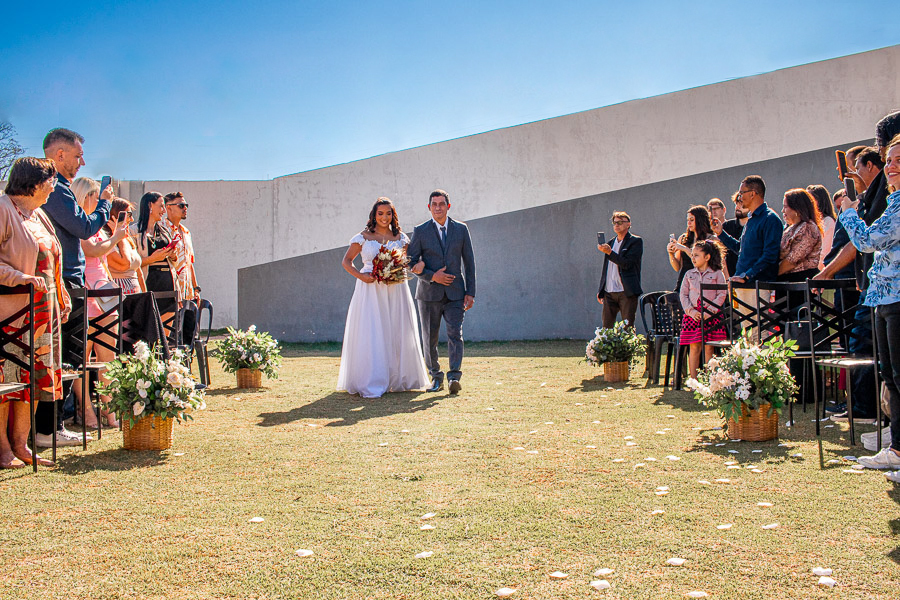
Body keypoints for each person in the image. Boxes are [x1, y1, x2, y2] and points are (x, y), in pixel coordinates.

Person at [38, 128, 111, 447]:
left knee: (71, 354)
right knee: (65, 354)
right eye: (78, 155)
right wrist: (105, 205)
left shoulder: (59, 189)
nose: (82, 162)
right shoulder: (57, 190)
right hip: (64, 280)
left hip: (69, 279)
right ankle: (48, 429)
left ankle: (50, 427)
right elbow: (83, 227)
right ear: (59, 155)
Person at [0, 158, 72, 466]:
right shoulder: (3, 208)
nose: (53, 187)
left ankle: (22, 445)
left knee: (33, 381)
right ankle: (3, 448)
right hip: (15, 313)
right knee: (9, 381)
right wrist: (21, 278)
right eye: (50, 181)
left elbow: (53, 261)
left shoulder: (40, 215)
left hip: (46, 312)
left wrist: (63, 293)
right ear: (33, 183)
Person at [842, 134, 900, 481]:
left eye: (897, 161)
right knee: (892, 377)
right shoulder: (894, 202)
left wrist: (849, 214)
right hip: (883, 297)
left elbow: (867, 240)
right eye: (889, 159)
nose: (890, 166)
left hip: (897, 298)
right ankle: (896, 449)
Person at [337, 198, 430, 398]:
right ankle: (372, 379)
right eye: (380, 213)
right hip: (370, 289)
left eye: (388, 213)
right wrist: (362, 276)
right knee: (372, 331)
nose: (384, 217)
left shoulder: (401, 238)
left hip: (395, 288)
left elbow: (407, 262)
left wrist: (410, 266)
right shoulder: (362, 237)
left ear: (393, 215)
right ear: (374, 215)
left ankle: (399, 378)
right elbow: (346, 261)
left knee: (397, 329)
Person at [71, 178, 130, 429]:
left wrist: (115, 236)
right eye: (97, 198)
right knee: (82, 356)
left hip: (104, 291)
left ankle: (110, 409)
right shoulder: (77, 224)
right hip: (85, 290)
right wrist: (116, 237)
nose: (100, 204)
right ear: (85, 197)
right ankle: (86, 411)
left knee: (107, 355)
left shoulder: (97, 226)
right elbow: (92, 251)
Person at [407, 190, 477, 395]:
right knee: (430, 338)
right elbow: (410, 262)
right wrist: (431, 276)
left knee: (456, 334)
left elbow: (469, 262)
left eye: (442, 204)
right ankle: (436, 378)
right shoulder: (420, 231)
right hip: (428, 295)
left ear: (448, 206)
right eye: (434, 204)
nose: (438, 207)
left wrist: (470, 291)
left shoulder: (461, 229)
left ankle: (454, 376)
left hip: (456, 293)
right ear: (429, 207)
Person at [713, 175, 783, 326]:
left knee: (760, 333)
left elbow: (770, 255)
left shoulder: (770, 218)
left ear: (753, 193)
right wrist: (721, 233)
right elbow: (741, 249)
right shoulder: (752, 220)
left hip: (758, 285)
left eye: (741, 193)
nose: (739, 197)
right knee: (748, 334)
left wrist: (746, 275)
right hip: (745, 284)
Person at [678, 240, 727, 379]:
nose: (693, 258)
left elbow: (721, 294)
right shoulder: (689, 274)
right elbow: (683, 294)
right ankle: (693, 380)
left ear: (707, 257)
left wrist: (710, 312)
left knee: (709, 347)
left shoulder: (717, 274)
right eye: (692, 255)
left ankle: (709, 379)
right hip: (693, 315)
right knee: (694, 346)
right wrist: (691, 311)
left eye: (696, 255)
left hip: (711, 315)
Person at [163, 192, 201, 343]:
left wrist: (196, 288)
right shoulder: (162, 230)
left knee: (189, 335)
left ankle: (187, 366)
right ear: (168, 208)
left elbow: (189, 263)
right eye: (181, 205)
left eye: (186, 205)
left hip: (188, 293)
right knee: (172, 337)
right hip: (172, 292)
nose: (185, 208)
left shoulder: (186, 232)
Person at [135, 192, 177, 325]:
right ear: (150, 206)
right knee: (149, 327)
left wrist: (172, 255)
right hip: (148, 282)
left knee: (168, 331)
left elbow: (174, 261)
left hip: (168, 283)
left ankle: (166, 347)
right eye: (161, 206)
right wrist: (152, 259)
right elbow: (131, 263)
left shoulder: (164, 232)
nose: (164, 211)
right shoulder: (134, 231)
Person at [596, 211, 643, 328]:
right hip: (609, 291)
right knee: (606, 328)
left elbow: (627, 264)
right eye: (615, 222)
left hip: (626, 291)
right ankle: (606, 346)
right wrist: (601, 288)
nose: (617, 225)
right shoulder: (610, 243)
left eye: (620, 222)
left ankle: (629, 347)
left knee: (627, 327)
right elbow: (606, 268)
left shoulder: (635, 241)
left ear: (628, 224)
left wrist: (610, 253)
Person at [667, 205, 721, 290]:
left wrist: (684, 248)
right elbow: (677, 267)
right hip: (684, 283)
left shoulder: (711, 239)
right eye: (687, 220)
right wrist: (671, 254)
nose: (689, 223)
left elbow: (705, 263)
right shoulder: (683, 238)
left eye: (692, 220)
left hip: (702, 284)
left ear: (700, 220)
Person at [106, 199, 146, 294]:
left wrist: (145, 294)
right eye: (129, 215)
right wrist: (119, 234)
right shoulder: (106, 240)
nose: (131, 219)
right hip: (117, 297)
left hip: (135, 297)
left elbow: (138, 271)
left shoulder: (128, 239)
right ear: (116, 215)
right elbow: (125, 263)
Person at [710, 195, 748, 277]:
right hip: (730, 276)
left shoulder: (754, 226)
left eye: (741, 204)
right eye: (736, 204)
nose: (738, 207)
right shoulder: (727, 226)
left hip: (748, 276)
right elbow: (721, 256)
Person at [806, 184, 837, 269]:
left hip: (818, 273)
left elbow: (825, 253)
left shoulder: (828, 222)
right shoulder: (809, 223)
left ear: (819, 201)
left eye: (810, 199)